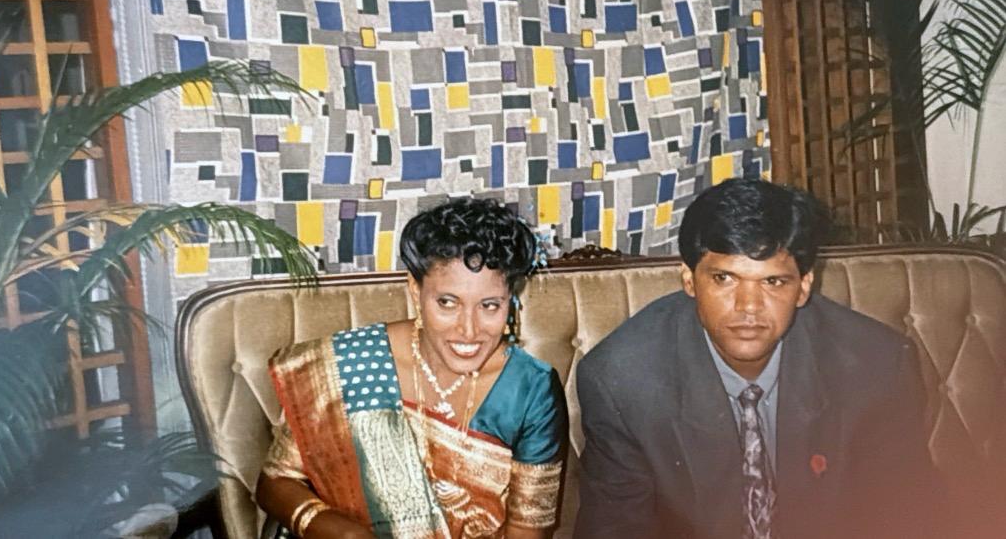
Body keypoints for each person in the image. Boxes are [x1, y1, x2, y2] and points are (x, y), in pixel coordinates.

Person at [574, 178, 943, 538]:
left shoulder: (877, 366)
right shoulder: (622, 380)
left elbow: (905, 518)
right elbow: (615, 528)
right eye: (724, 278)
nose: (748, 307)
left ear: (804, 286)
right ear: (689, 279)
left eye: (773, 282)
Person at [256, 197, 568, 538]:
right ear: (415, 289)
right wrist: (343, 533)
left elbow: (527, 530)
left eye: (490, 306)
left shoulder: (531, 390)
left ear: (510, 300)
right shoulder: (353, 365)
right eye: (447, 303)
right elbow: (275, 482)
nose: (469, 330)